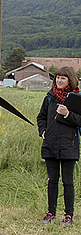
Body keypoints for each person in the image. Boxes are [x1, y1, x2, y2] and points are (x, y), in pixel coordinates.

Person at [37, 66, 81, 226]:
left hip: (69, 145)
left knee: (68, 182)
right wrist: (43, 132)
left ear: (70, 80)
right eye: (57, 77)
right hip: (50, 144)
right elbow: (41, 117)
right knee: (52, 180)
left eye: (63, 78)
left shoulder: (76, 98)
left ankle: (69, 215)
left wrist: (68, 114)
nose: (59, 80)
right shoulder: (49, 97)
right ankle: (51, 212)